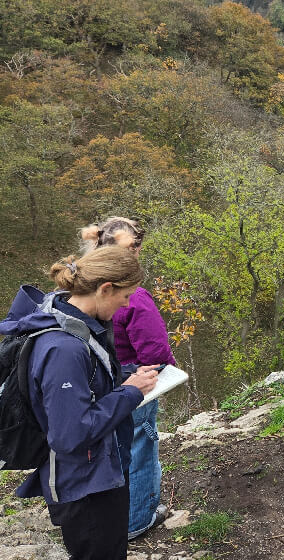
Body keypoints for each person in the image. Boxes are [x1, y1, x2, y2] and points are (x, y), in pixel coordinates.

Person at [0, 246, 159, 560]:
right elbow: (71, 434)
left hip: (100, 470)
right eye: (125, 297)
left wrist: (127, 375)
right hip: (85, 486)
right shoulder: (63, 348)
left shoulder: (74, 319)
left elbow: (89, 380)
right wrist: (131, 393)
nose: (126, 305)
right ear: (104, 288)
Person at [80, 217, 176, 539]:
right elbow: (156, 352)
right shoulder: (134, 296)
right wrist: (164, 375)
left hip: (101, 390)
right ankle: (138, 519)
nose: (136, 252)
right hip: (137, 386)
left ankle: (111, 517)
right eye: (133, 246)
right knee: (141, 449)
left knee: (112, 454)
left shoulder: (85, 289)